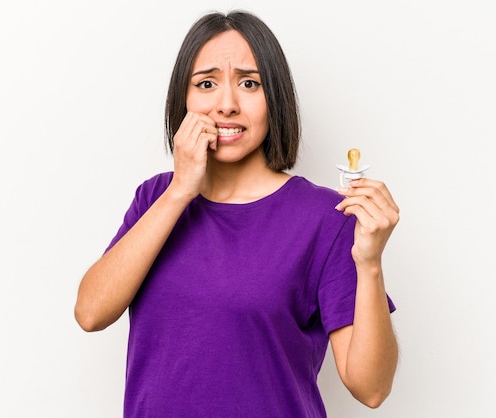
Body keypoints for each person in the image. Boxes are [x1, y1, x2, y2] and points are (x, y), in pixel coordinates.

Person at [75, 10, 399, 418]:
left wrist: (369, 264)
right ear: (184, 100)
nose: (226, 105)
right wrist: (180, 191)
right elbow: (90, 313)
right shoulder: (155, 197)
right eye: (206, 84)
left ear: (275, 98)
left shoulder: (325, 218)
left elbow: (371, 388)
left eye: (249, 83)